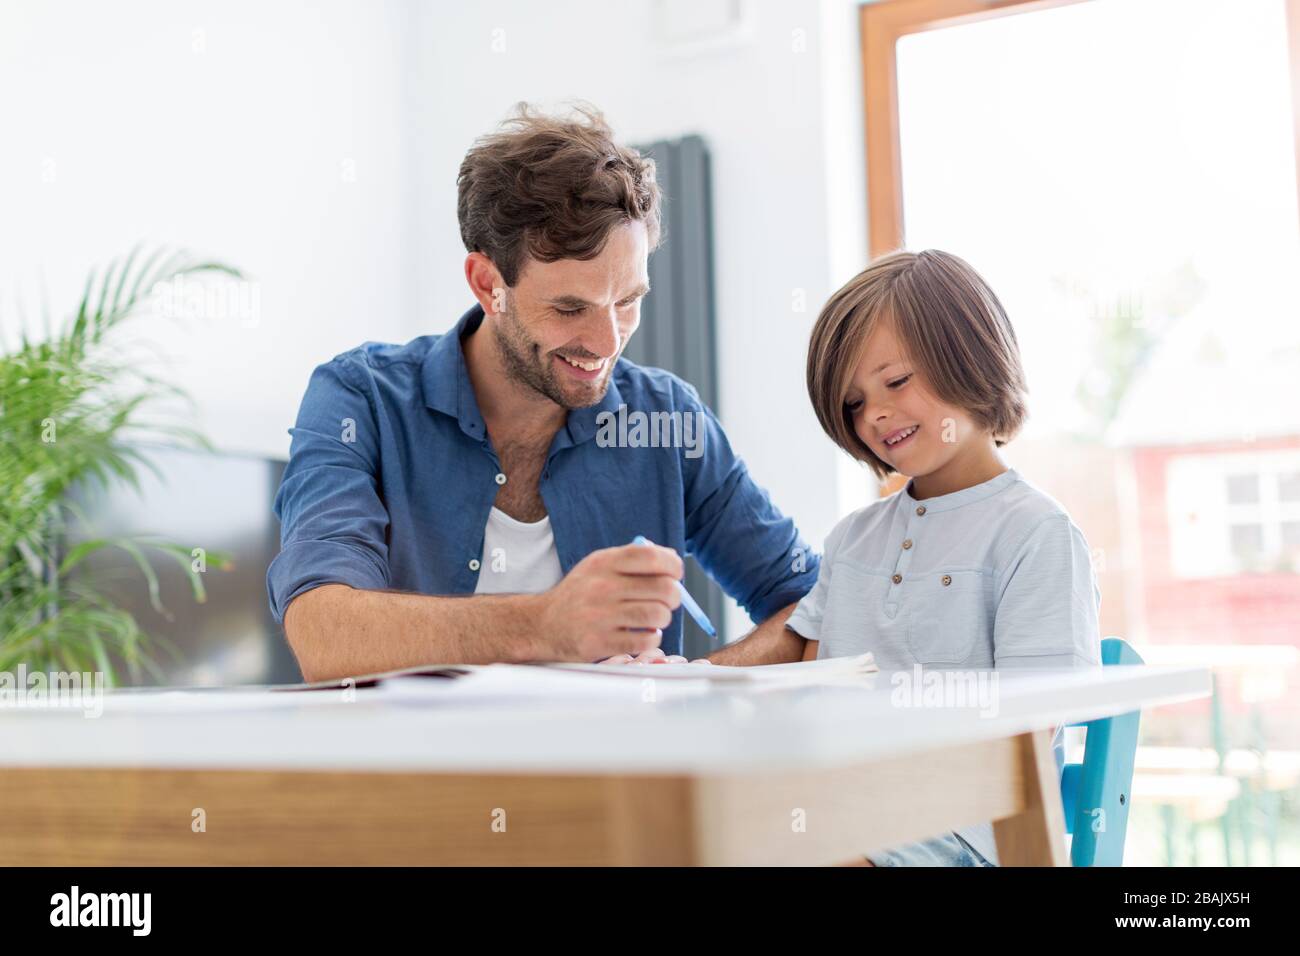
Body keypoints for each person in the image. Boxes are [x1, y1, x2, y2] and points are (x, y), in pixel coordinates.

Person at [267, 104, 819, 681]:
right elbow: (322, 631)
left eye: (628, 300)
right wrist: (543, 627)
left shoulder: (668, 417)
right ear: (488, 284)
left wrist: (685, 683)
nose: (607, 341)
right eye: (569, 307)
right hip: (422, 769)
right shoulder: (361, 400)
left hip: (613, 770)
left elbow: (807, 604)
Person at [790, 248, 1102, 865]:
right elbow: (804, 684)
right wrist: (686, 682)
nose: (874, 414)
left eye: (896, 381)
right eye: (853, 402)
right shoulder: (852, 538)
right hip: (850, 812)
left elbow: (1030, 732)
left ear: (971, 356)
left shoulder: (1036, 533)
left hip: (969, 834)